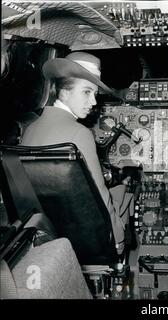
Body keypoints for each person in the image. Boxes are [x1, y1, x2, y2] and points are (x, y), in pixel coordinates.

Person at [21, 52, 131, 252]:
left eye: (95, 94)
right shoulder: (80, 133)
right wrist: (118, 238)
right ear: (63, 91)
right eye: (87, 92)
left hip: (45, 231)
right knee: (126, 192)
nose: (94, 102)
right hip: (84, 234)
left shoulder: (30, 129)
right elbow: (99, 196)